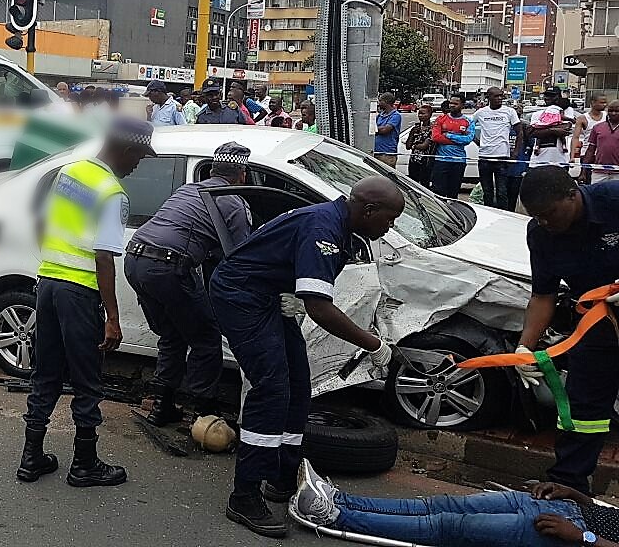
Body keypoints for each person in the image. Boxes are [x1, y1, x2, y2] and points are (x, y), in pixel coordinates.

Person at [210, 176, 403, 537]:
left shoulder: (340, 225)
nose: (389, 228)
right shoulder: (324, 228)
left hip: (266, 296)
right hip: (241, 296)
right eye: (389, 220)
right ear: (370, 209)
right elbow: (320, 308)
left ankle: (282, 475)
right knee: (271, 390)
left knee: (298, 386)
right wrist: (373, 344)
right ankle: (245, 495)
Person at [18, 117, 155, 488]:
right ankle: (84, 463)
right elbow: (104, 257)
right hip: (78, 291)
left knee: (45, 373)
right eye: (139, 157)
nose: (137, 165)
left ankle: (31, 458)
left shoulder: (71, 172)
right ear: (126, 149)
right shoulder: (111, 192)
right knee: (87, 380)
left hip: (47, 283)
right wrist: (113, 317)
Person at [124, 142, 253, 426]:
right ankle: (204, 414)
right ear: (241, 174)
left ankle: (162, 405)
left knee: (172, 335)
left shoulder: (187, 190)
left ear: (213, 170)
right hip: (169, 267)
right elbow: (242, 255)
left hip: (134, 260)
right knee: (206, 339)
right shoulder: (233, 201)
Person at [517, 166, 619, 495]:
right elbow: (543, 294)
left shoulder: (613, 200)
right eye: (537, 216)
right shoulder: (540, 233)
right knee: (583, 407)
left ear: (572, 194)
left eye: (548, 213)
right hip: (596, 324)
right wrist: (525, 347)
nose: (544, 222)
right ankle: (567, 484)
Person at [292, 459, 619, 547]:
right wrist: (570, 493)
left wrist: (582, 537)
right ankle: (341, 499)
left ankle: (335, 517)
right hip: (565, 510)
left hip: (566, 536)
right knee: (441, 504)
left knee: (449, 526)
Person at [472, 87, 523, 210]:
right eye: (496, 96)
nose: (500, 98)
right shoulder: (481, 112)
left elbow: (519, 132)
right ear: (489, 97)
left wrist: (515, 152)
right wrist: (477, 141)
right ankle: (489, 214)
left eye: (501, 96)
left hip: (502, 158)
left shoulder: (509, 112)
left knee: (502, 192)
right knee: (487, 192)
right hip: (484, 158)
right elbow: (468, 126)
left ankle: (503, 215)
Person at [430, 96, 476, 199]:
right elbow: (436, 137)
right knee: (438, 192)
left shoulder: (468, 121)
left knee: (453, 193)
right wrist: (458, 139)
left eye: (455, 103)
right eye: (451, 103)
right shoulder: (441, 119)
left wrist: (448, 135)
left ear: (462, 105)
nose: (452, 105)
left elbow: (468, 139)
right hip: (441, 160)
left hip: (458, 161)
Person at [528, 88, 578, 169]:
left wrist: (544, 128)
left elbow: (565, 128)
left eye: (552, 95)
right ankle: (537, 147)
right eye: (546, 95)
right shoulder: (537, 113)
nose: (547, 98)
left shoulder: (566, 110)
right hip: (538, 162)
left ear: (559, 97)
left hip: (560, 161)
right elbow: (532, 132)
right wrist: (553, 130)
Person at [507, 103, 534, 211]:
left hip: (519, 169)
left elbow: (532, 148)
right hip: (504, 168)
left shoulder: (525, 127)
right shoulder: (505, 127)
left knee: (516, 197)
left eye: (518, 112)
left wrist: (527, 167)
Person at [585, 100, 619, 183]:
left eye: (617, 111)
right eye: (611, 111)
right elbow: (590, 150)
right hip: (599, 172)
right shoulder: (597, 127)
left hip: (617, 173)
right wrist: (583, 172)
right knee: (596, 195)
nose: (613, 113)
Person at [404, 103, 436, 189]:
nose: (420, 115)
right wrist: (413, 133)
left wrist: (414, 146)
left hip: (425, 161)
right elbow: (408, 145)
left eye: (423, 113)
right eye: (419, 113)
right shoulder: (416, 128)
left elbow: (424, 146)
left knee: (424, 184)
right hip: (414, 160)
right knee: (413, 184)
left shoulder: (432, 129)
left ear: (430, 115)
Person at [572, 94, 608, 169]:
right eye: (602, 103)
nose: (604, 105)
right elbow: (575, 137)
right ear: (593, 103)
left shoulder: (607, 116)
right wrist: (572, 157)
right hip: (587, 154)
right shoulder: (582, 118)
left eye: (605, 103)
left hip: (603, 154)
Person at [374, 92, 402, 168]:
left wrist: (374, 129)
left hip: (387, 154)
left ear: (386, 102)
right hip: (376, 152)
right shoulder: (380, 115)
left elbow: (385, 130)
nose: (379, 103)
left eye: (380, 101)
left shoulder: (395, 115)